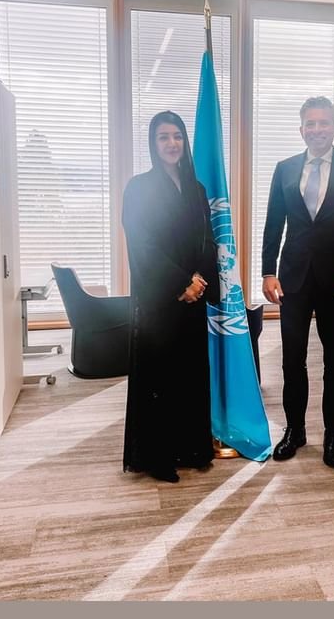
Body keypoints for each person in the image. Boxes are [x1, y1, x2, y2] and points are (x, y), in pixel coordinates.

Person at [261, 96, 334, 468]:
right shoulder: (285, 169)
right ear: (301, 129)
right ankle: (295, 431)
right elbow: (273, 225)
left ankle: (332, 434)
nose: (317, 129)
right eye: (310, 123)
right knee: (292, 360)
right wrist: (267, 272)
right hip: (293, 278)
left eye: (323, 122)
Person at [122, 111, 220, 483]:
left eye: (177, 136)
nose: (171, 143)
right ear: (153, 143)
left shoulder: (197, 189)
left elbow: (207, 239)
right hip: (159, 300)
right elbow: (142, 245)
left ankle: (191, 448)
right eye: (163, 137)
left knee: (190, 376)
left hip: (193, 298)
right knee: (159, 378)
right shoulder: (138, 188)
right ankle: (158, 457)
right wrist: (180, 282)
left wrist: (199, 281)